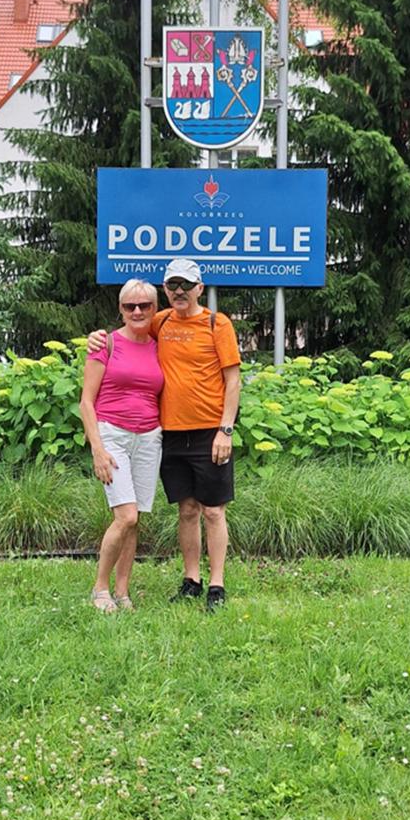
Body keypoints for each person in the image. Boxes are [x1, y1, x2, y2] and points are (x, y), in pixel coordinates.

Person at [89, 258, 241, 611]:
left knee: (213, 511)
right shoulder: (161, 322)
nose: (180, 291)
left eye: (187, 285)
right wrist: (95, 338)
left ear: (200, 288)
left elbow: (233, 381)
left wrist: (226, 429)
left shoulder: (218, 324)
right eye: (173, 285)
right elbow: (129, 330)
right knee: (187, 510)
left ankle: (216, 585)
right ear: (165, 290)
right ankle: (191, 580)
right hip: (170, 432)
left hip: (210, 431)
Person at [79, 279, 164, 614]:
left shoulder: (159, 345)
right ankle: (100, 588)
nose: (137, 311)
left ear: (155, 308)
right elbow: (86, 402)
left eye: (144, 305)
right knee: (125, 515)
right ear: (121, 309)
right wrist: (97, 449)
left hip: (149, 437)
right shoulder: (106, 343)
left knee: (134, 518)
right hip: (112, 434)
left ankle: (123, 591)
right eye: (130, 306)